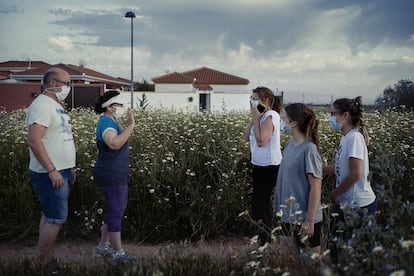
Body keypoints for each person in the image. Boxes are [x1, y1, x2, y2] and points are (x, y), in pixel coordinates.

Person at [26, 67, 76, 261]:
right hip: (50, 173)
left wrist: (69, 166)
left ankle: (42, 256)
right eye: (67, 83)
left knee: (49, 215)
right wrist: (52, 170)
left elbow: (60, 136)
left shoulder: (55, 105)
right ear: (53, 83)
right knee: (56, 219)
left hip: (60, 170)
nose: (69, 87)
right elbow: (34, 140)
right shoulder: (42, 105)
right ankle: (43, 261)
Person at [323, 96, 376, 262]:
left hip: (359, 206)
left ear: (345, 115)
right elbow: (340, 168)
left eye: (333, 113)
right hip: (346, 203)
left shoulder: (354, 138)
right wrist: (320, 169)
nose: (330, 117)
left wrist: (335, 193)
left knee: (360, 255)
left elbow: (355, 174)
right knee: (336, 248)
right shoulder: (346, 137)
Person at [93, 90, 136, 265]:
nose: (122, 107)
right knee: (117, 212)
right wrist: (131, 125)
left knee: (114, 210)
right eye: (119, 105)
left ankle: (103, 246)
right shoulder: (105, 123)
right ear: (110, 107)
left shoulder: (109, 121)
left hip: (114, 172)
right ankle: (118, 253)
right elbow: (114, 143)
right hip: (111, 174)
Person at [273, 103, 323, 254]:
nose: (281, 123)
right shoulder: (289, 144)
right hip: (287, 216)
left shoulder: (309, 149)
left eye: (284, 119)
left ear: (294, 123)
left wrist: (309, 221)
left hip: (304, 218)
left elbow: (315, 187)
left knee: (311, 264)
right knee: (291, 264)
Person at [244, 86, 282, 245]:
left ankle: (266, 240)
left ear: (266, 100)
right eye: (251, 99)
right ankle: (266, 238)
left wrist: (256, 118)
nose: (252, 102)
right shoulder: (261, 117)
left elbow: (261, 141)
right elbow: (246, 137)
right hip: (259, 164)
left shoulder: (270, 116)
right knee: (261, 204)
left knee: (260, 205)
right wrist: (254, 118)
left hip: (269, 166)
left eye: (255, 99)